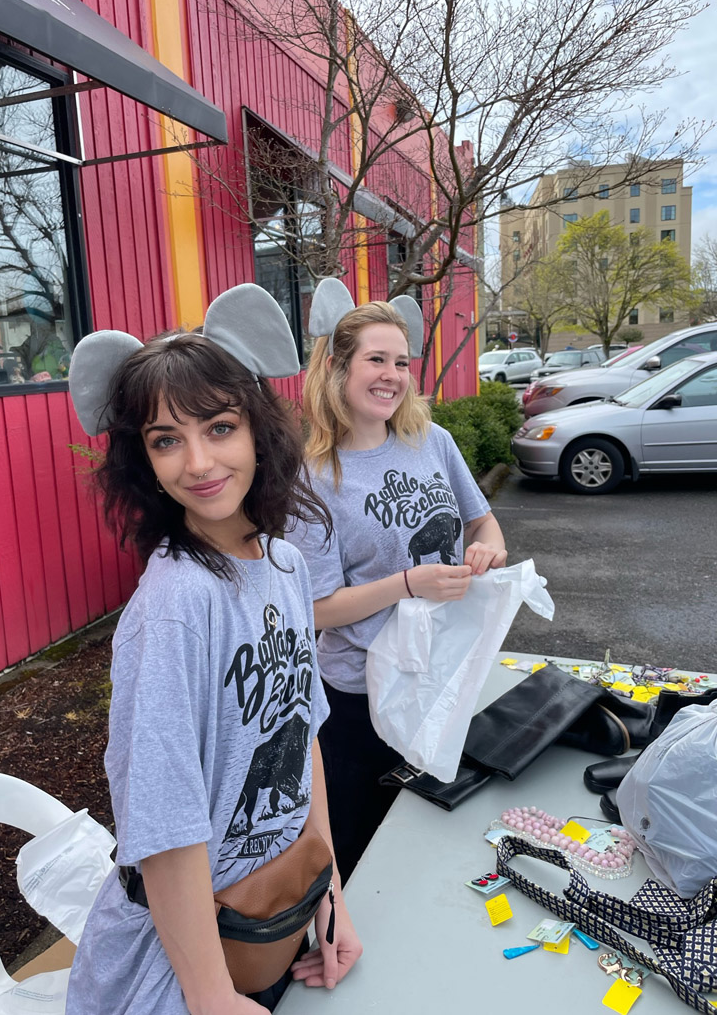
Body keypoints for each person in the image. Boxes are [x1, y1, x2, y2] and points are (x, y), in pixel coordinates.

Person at [64, 285, 361, 1015]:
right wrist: (208, 996)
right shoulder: (175, 609)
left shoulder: (286, 565)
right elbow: (163, 828)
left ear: (258, 428)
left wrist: (329, 895)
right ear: (143, 460)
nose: (197, 461)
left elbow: (302, 738)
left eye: (220, 426)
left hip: (274, 917)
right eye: (166, 439)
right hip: (180, 965)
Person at [289, 279, 508, 882]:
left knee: (431, 835)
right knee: (359, 848)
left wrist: (489, 550)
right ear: (336, 368)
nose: (392, 375)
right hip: (363, 698)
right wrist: (408, 583)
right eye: (376, 360)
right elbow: (314, 609)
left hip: (444, 670)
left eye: (402, 362)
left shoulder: (430, 441)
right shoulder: (313, 477)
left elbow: (484, 522)